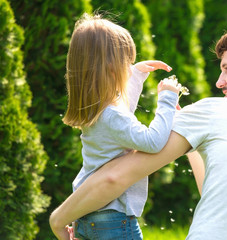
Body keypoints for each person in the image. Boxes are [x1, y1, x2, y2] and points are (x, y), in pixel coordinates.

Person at [50, 22, 227, 240]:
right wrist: (194, 146)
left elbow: (113, 178)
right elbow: (220, 194)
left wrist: (58, 219)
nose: (219, 82)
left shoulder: (212, 112)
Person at [59, 13, 180, 240]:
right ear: (112, 68)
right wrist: (167, 100)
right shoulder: (112, 115)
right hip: (113, 221)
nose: (130, 66)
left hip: (87, 216)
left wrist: (136, 74)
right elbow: (152, 142)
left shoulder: (97, 109)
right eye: (128, 62)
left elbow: (121, 113)